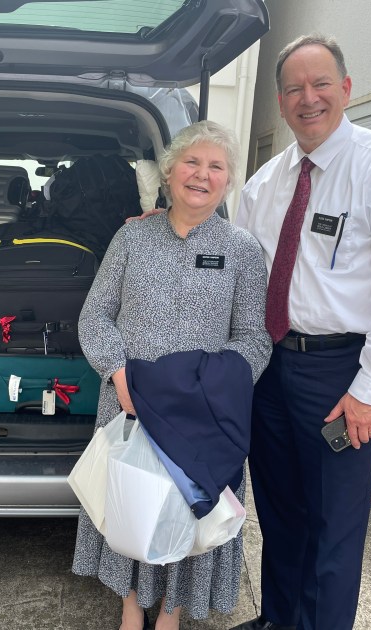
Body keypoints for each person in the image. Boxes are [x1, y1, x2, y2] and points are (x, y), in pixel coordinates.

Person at [230, 35, 371, 630]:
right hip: (269, 368)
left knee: (333, 526)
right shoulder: (265, 183)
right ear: (280, 100)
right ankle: (278, 619)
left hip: (340, 374)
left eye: (320, 84)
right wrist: (163, 226)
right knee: (279, 511)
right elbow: (237, 269)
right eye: (294, 88)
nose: (308, 98)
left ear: (345, 89)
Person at [72, 120, 273, 630]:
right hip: (130, 403)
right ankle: (130, 603)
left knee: (185, 510)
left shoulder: (243, 251)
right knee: (131, 504)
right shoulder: (132, 237)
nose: (202, 174)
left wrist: (208, 391)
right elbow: (95, 316)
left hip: (201, 415)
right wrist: (120, 377)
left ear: (228, 180)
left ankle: (172, 608)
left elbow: (255, 339)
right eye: (191, 162)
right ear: (169, 171)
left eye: (216, 166)